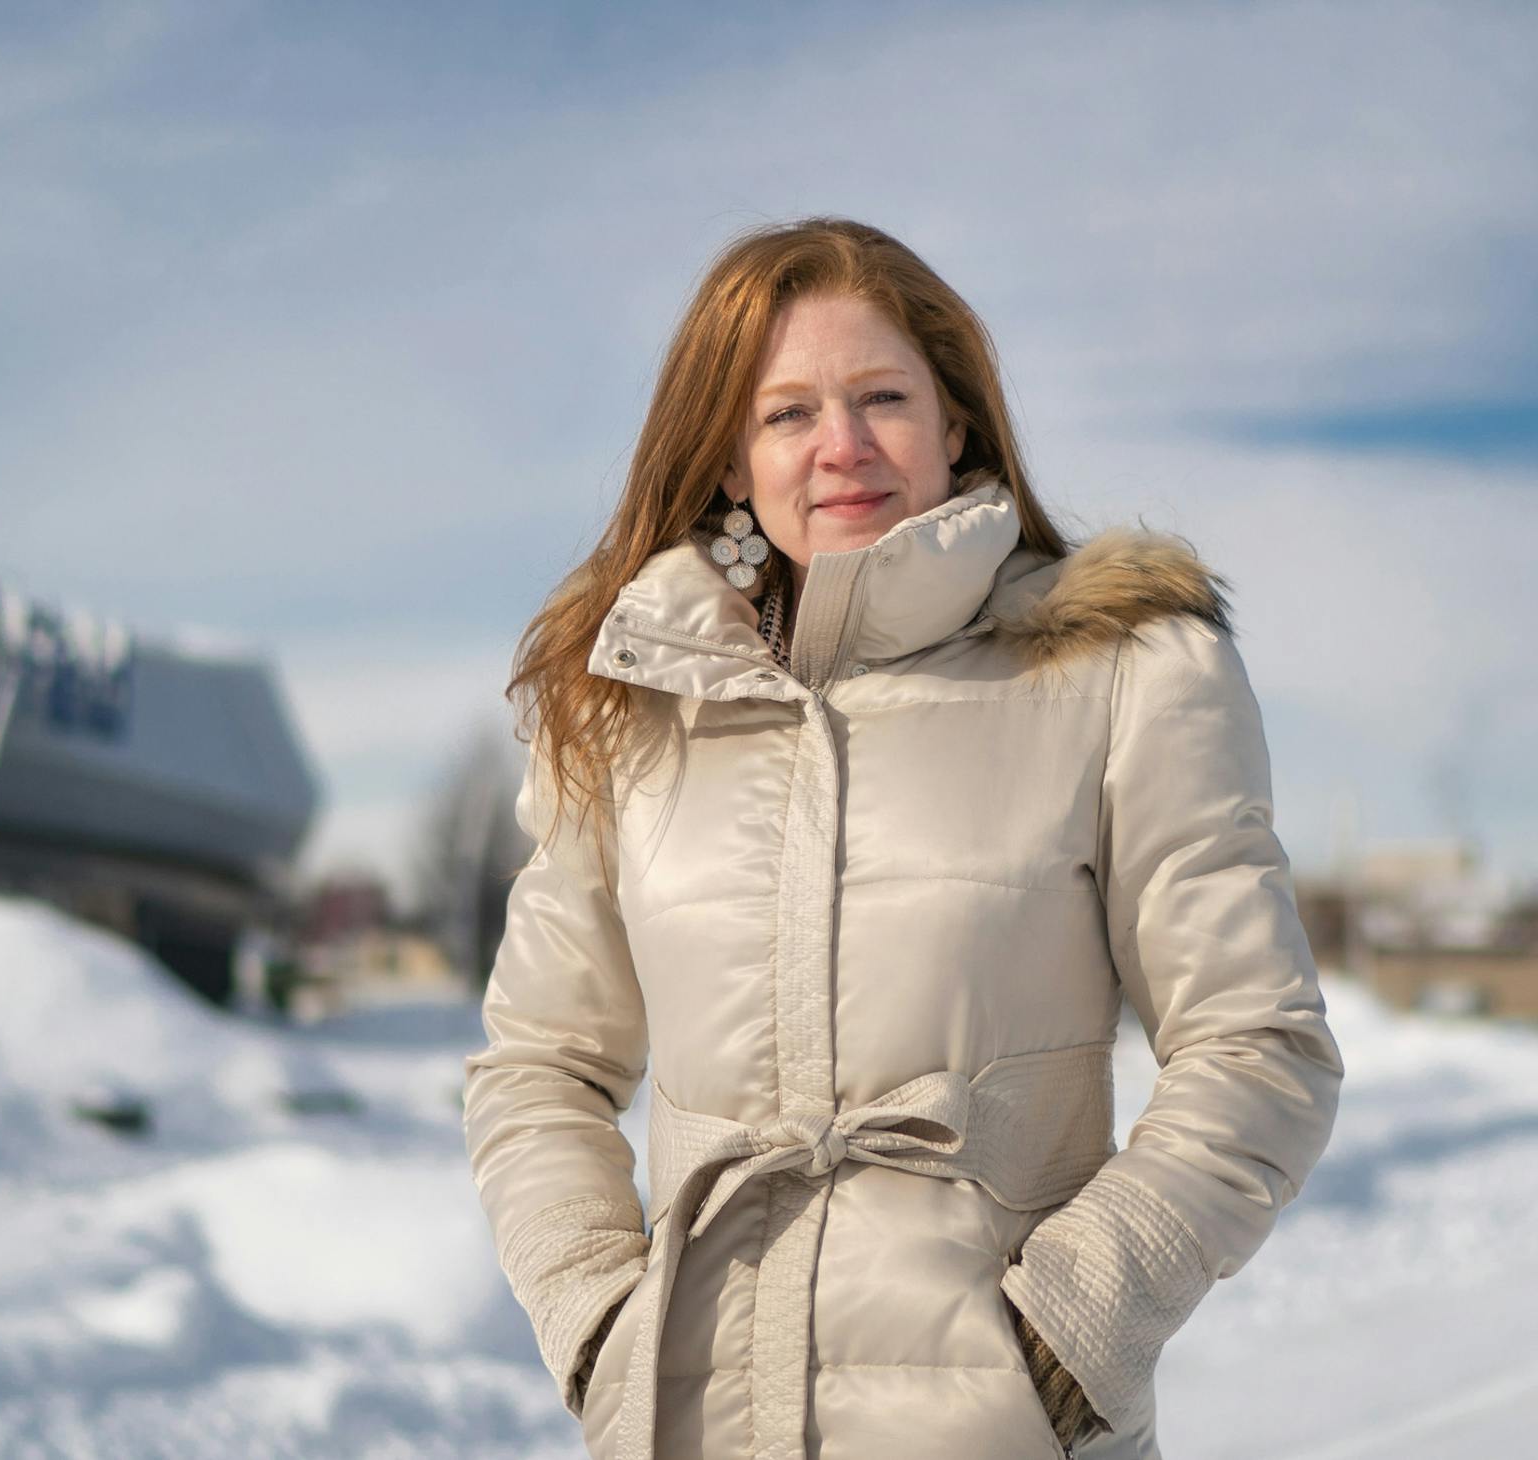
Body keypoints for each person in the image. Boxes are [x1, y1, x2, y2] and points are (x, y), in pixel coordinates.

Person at [460, 216, 1344, 1460]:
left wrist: (1071, 1331)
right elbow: (537, 1064)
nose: (843, 447)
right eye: (786, 414)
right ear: (726, 459)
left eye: (883, 396)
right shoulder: (628, 708)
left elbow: (1259, 1047)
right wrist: (597, 1314)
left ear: (956, 424)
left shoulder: (1124, 672)